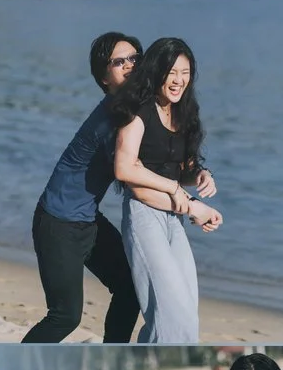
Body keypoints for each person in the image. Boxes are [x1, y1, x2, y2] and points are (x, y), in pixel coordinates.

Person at [21, 31, 175, 343]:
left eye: (135, 58)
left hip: (86, 220)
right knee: (65, 316)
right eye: (119, 62)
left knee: (129, 288)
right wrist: (182, 199)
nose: (130, 66)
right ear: (104, 78)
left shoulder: (131, 108)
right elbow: (132, 174)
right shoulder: (114, 116)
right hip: (58, 223)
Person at [111, 37, 223, 343]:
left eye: (185, 72)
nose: (178, 81)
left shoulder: (184, 112)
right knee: (173, 316)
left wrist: (200, 175)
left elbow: (182, 169)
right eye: (172, 72)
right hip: (144, 216)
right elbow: (126, 169)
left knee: (185, 312)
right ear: (156, 71)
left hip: (173, 219)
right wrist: (191, 204)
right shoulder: (138, 111)